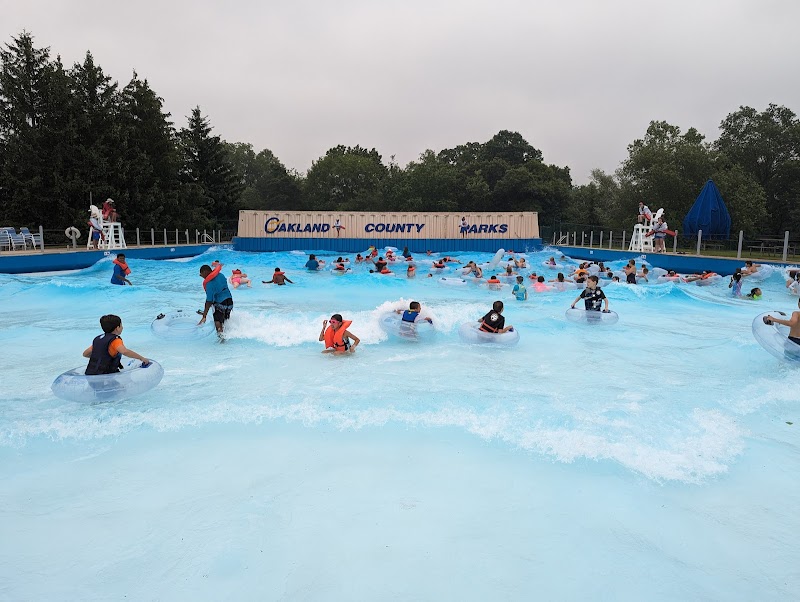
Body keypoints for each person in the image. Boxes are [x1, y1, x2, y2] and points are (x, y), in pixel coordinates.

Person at [83, 314, 150, 375]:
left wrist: (100, 359)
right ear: (117, 328)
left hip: (90, 375)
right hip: (105, 376)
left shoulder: (98, 339)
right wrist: (142, 358)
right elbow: (124, 351)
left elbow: (85, 354)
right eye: (121, 325)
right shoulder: (115, 340)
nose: (122, 327)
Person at [198, 264, 234, 336]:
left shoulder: (209, 284)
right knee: (226, 320)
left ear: (205, 272)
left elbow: (209, 301)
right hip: (229, 302)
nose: (202, 277)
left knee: (218, 322)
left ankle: (221, 341)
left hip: (220, 304)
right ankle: (229, 335)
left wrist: (204, 316)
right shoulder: (221, 275)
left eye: (201, 275)